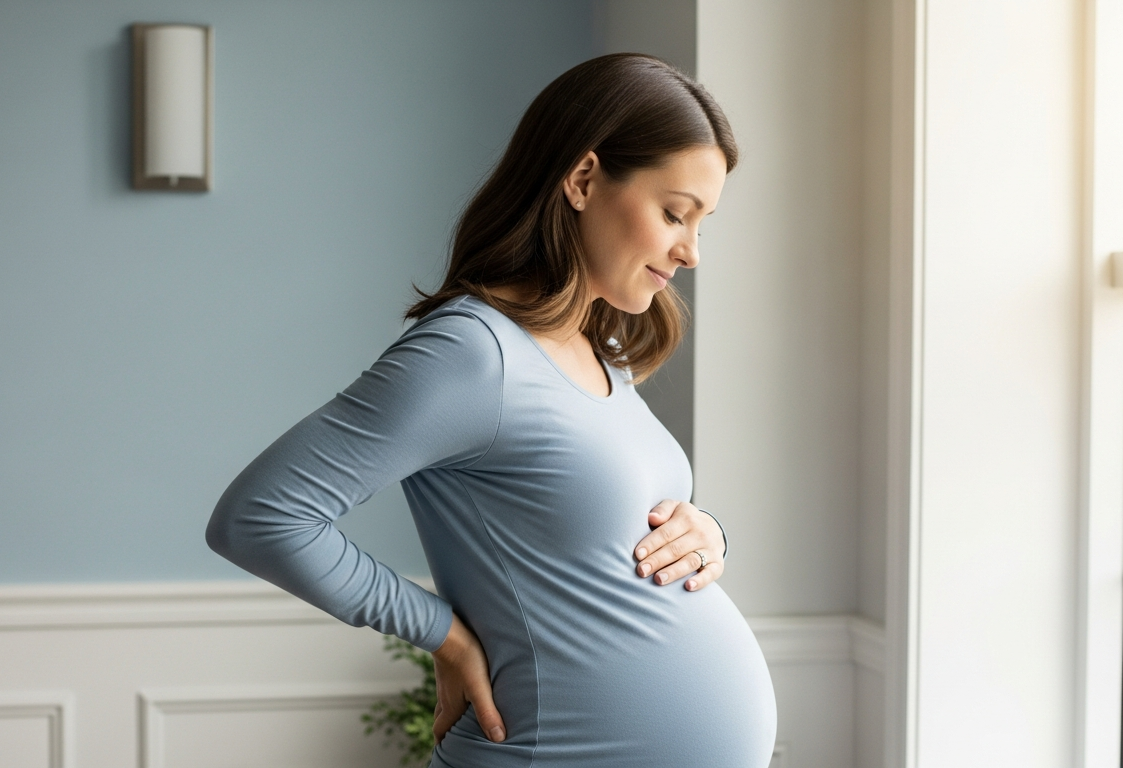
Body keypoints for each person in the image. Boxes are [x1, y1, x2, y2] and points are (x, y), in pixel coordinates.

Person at [206, 53, 776, 767]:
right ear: (583, 179)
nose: (691, 251)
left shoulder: (602, 349)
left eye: (703, 223)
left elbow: (589, 534)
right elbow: (260, 516)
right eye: (673, 214)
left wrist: (707, 531)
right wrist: (442, 632)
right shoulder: (472, 354)